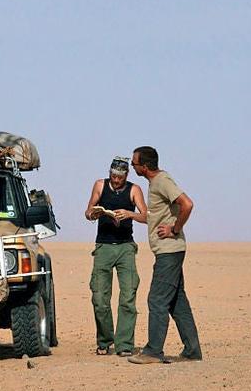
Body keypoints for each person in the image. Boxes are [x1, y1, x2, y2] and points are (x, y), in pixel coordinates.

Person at [124, 146, 202, 364]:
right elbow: (154, 216)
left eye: (134, 164)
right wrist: (131, 214)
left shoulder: (162, 181)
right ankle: (192, 351)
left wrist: (174, 229)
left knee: (157, 299)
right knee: (177, 302)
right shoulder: (155, 184)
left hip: (170, 251)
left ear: (145, 166)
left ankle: (153, 351)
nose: (132, 167)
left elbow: (187, 204)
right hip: (168, 251)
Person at [85, 156, 147, 356]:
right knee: (100, 298)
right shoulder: (100, 185)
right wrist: (93, 213)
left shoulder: (134, 189)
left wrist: (129, 214)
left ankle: (125, 345)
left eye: (119, 177)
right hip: (103, 247)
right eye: (112, 176)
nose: (115, 179)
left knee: (128, 297)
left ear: (126, 175)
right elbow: (88, 211)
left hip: (125, 248)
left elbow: (146, 216)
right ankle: (104, 341)